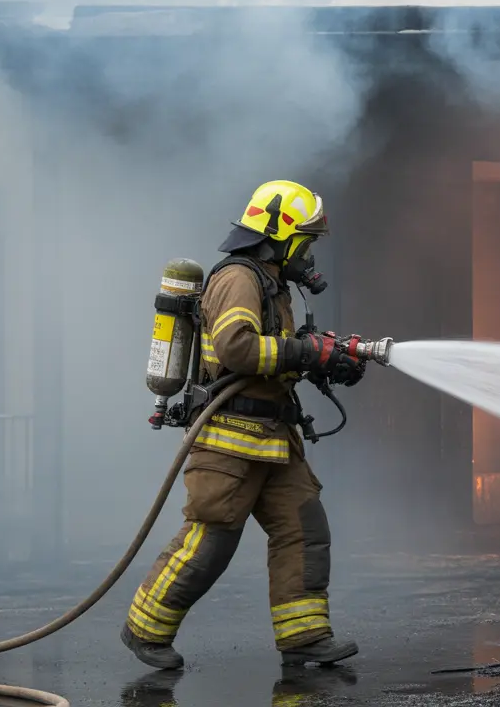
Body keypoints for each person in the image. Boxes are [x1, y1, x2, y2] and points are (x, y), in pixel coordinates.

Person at [122, 180, 367, 670]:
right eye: (308, 240)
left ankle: (304, 635)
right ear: (282, 234)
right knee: (212, 538)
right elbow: (237, 348)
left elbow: (275, 350)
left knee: (304, 529)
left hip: (274, 438)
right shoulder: (239, 277)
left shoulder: (271, 282)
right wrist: (303, 350)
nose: (310, 252)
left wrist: (326, 357)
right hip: (230, 439)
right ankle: (145, 628)